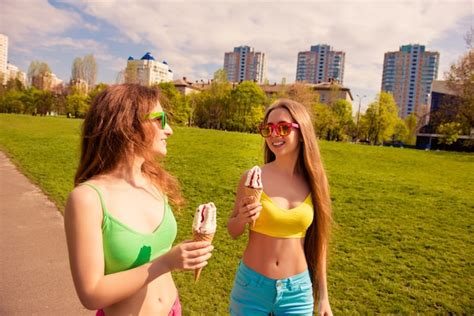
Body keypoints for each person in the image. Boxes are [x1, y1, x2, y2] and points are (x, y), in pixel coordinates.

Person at [64, 84, 213, 315]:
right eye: (160, 119)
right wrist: (165, 263)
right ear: (128, 124)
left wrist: (184, 253)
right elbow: (91, 294)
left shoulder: (155, 182)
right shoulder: (87, 199)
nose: (170, 130)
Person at [227, 99, 333, 315]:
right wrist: (242, 219)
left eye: (283, 127)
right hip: (251, 288)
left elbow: (320, 241)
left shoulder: (315, 181)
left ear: (302, 132)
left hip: (298, 291)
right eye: (269, 128)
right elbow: (233, 230)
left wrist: (323, 297)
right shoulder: (251, 177)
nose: (275, 134)